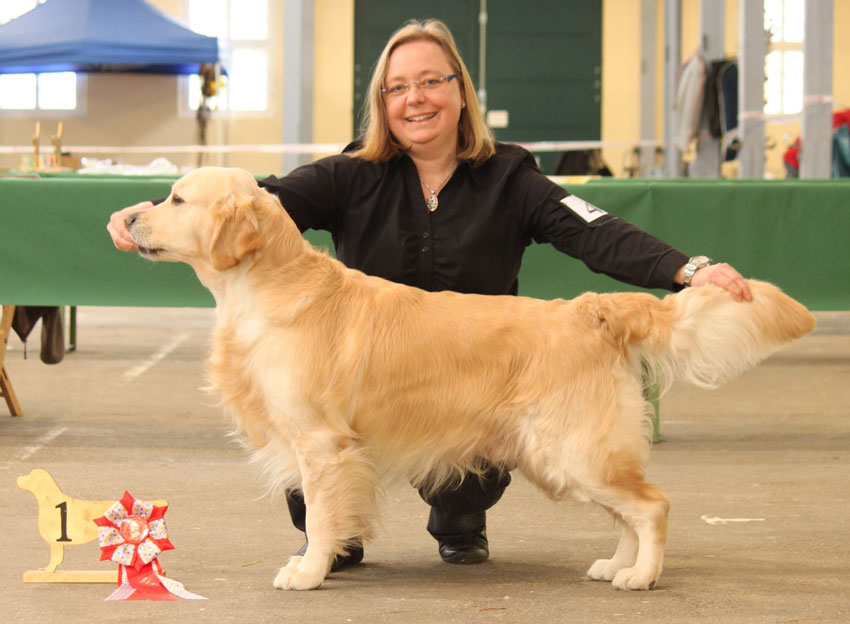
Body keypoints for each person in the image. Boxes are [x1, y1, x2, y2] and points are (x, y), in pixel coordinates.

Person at [108, 18, 752, 572]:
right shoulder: (351, 175)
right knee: (309, 438)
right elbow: (260, 200)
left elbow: (594, 231)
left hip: (485, 372)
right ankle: (338, 537)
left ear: (459, 92)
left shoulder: (511, 177)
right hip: (368, 381)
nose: (415, 98)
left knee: (483, 478)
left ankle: (460, 521)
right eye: (398, 87)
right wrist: (158, 219)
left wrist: (688, 271)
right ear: (382, 102)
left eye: (431, 82)